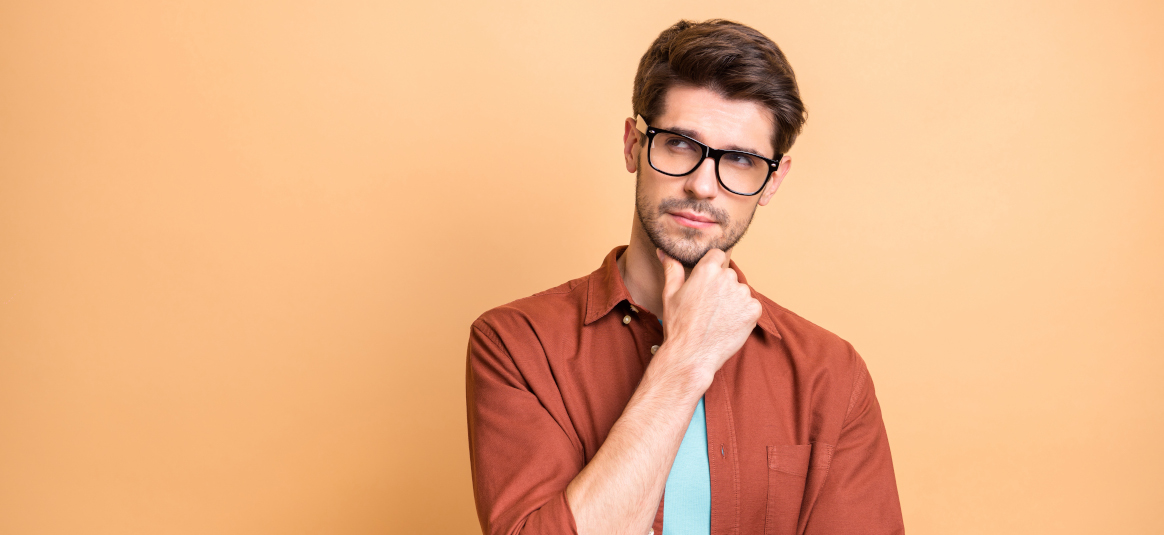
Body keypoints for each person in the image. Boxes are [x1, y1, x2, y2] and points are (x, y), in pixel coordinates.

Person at [465, 19, 904, 535]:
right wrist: (684, 361)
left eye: (739, 159)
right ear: (633, 145)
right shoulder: (517, 344)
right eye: (678, 144)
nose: (702, 185)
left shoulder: (830, 375)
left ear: (772, 181)